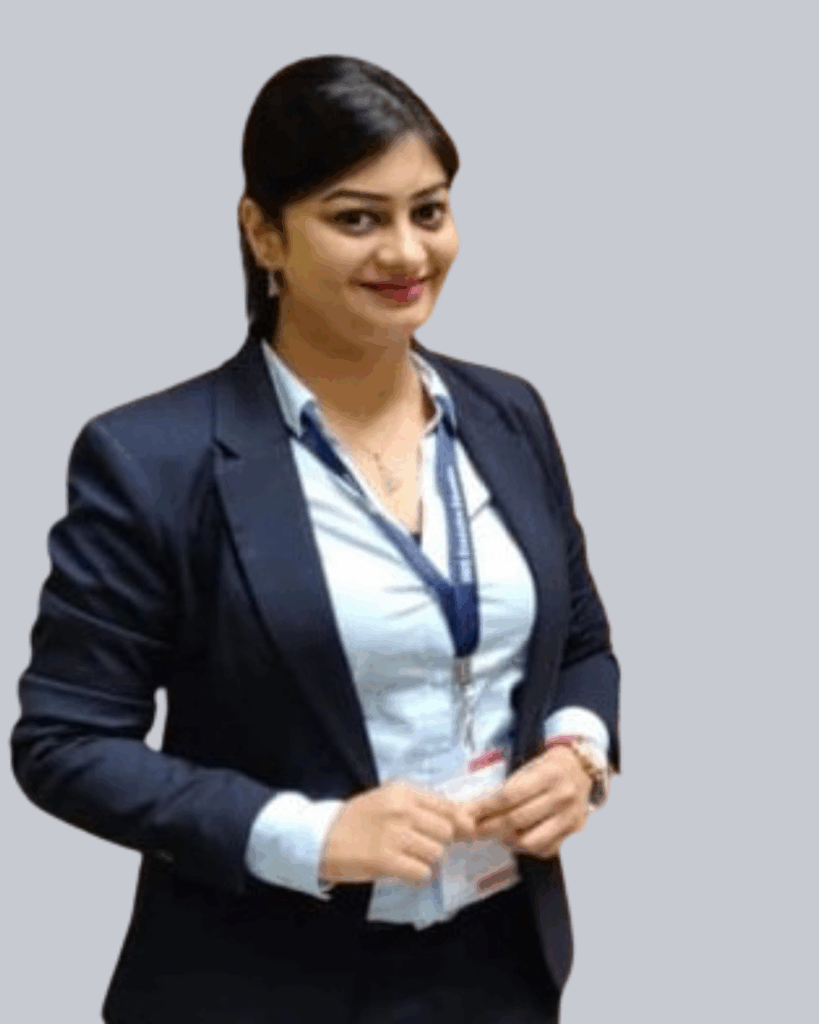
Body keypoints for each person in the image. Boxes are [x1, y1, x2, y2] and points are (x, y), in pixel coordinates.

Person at [11, 55, 620, 1024]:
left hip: (500, 966)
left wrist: (576, 754)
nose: (408, 252)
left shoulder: (509, 415)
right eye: (357, 218)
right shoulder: (153, 459)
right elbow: (66, 742)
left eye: (429, 210)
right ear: (264, 233)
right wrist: (308, 834)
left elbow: (580, 638)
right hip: (258, 981)